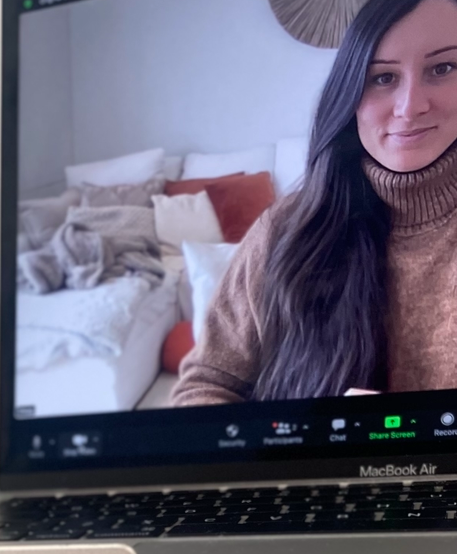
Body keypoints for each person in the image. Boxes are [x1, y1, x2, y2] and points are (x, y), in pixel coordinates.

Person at [171, 0, 457, 406]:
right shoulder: (284, 230)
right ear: (349, 95)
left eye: (442, 69)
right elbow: (206, 385)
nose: (410, 107)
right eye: (383, 77)